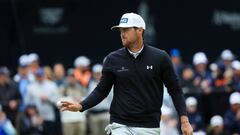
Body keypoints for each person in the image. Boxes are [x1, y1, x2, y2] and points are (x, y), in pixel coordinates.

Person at [59, 12, 193, 135]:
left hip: (149, 126)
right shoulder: (112, 59)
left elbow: (175, 90)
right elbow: (101, 91)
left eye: (126, 30)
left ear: (140, 30)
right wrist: (81, 106)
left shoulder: (160, 57)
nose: (122, 34)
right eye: (120, 30)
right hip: (120, 124)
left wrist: (185, 121)